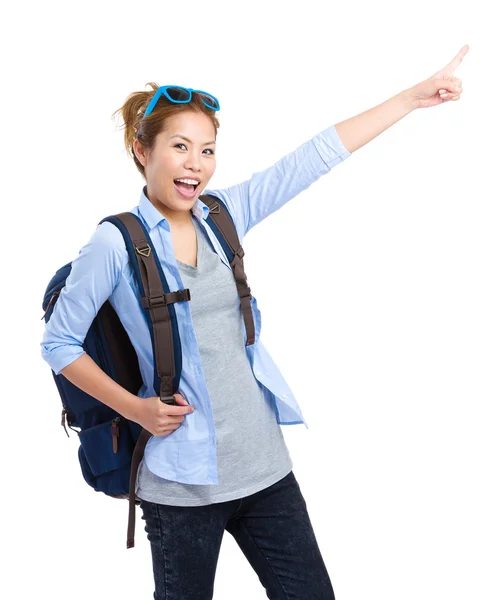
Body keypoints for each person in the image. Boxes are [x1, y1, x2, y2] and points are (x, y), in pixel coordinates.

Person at [40, 45, 468, 600]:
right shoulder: (114, 243)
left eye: (208, 149)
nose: (196, 162)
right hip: (182, 484)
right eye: (180, 146)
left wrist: (411, 98)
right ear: (142, 150)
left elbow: (312, 158)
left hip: (265, 468)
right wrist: (137, 409)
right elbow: (59, 342)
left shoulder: (222, 216)